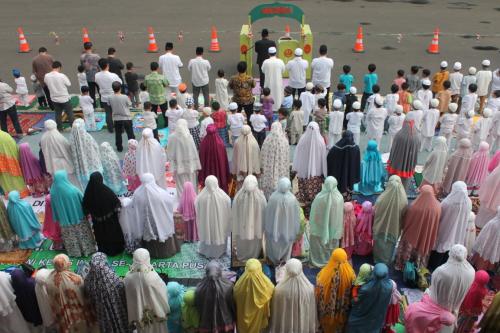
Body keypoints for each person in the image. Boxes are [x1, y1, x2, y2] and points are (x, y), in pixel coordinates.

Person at [429, 245, 475, 333]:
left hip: (436, 310)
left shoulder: (440, 271)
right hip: (453, 312)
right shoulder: (471, 272)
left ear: (450, 254)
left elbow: (433, 291)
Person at [46, 254, 98, 332]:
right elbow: (83, 294)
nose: (70, 263)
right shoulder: (75, 279)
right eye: (68, 262)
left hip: (62, 315)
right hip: (78, 312)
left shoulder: (49, 280)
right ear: (65, 264)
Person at [50, 170, 96, 257]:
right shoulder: (73, 190)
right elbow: (83, 201)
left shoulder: (53, 192)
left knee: (70, 236)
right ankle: (87, 250)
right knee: (82, 233)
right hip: (78, 217)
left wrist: (57, 217)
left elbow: (54, 207)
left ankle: (75, 252)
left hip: (64, 220)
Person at [394, 185, 441, 270]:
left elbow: (406, 221)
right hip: (426, 237)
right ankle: (417, 267)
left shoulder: (414, 206)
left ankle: (403, 265)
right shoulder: (437, 207)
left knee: (408, 249)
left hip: (411, 235)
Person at [133, 173, 179, 258]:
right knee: (159, 231)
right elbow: (169, 203)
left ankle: (148, 254)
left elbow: (134, 208)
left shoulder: (137, 194)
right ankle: (163, 252)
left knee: (148, 235)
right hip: (160, 223)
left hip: (145, 225)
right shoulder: (161, 193)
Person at [124, 248, 169, 333]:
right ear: (148, 258)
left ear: (134, 259)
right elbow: (163, 292)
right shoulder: (153, 276)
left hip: (139, 313)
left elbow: (128, 297)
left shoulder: (128, 277)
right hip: (156, 313)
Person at [429, 181, 472, 270]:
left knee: (441, 247)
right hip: (459, 230)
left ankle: (433, 266)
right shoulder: (468, 202)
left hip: (445, 228)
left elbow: (439, 214)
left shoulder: (448, 203)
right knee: (450, 248)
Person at [268, 258, 316, 333]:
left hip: (285, 326)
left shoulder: (278, 290)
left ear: (286, 270)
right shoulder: (309, 289)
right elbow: (311, 311)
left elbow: (276, 312)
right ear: (301, 270)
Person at [84, 252, 129, 333]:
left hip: (102, 314)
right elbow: (122, 290)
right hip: (118, 309)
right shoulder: (112, 278)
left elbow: (89, 296)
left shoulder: (88, 281)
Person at [83, 171, 125, 255]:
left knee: (101, 235)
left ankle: (104, 250)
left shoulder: (88, 193)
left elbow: (85, 206)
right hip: (111, 222)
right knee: (112, 233)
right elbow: (117, 204)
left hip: (97, 223)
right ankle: (116, 250)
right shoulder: (107, 192)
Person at [315, 248, 355, 333]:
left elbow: (319, 285)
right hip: (342, 307)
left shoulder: (326, 273)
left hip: (327, 309)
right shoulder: (350, 273)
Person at [346, 263, 393, 333]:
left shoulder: (366, 288)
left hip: (362, 317)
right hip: (377, 316)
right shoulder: (390, 286)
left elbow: (356, 302)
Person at [309, 176, 344, 267]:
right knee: (331, 244)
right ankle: (331, 260)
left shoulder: (319, 197)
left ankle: (318, 260)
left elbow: (314, 213)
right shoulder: (339, 198)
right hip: (333, 228)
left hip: (319, 227)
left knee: (318, 242)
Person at [264, 177, 300, 264]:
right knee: (286, 243)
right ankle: (285, 259)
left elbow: (268, 213)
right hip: (288, 230)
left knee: (274, 244)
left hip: (274, 229)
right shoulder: (292, 199)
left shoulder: (273, 197)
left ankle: (273, 259)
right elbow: (296, 216)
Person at [372, 175, 407, 264]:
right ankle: (386, 261)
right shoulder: (404, 201)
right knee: (389, 246)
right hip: (394, 229)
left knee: (379, 245)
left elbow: (375, 211)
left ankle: (377, 260)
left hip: (380, 227)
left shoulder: (381, 199)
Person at [232, 175, 266, 261]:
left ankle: (242, 255)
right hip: (256, 229)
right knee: (255, 241)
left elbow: (235, 214)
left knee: (242, 241)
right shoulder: (260, 197)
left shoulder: (238, 197)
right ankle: (254, 255)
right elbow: (265, 212)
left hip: (242, 228)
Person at [195, 175, 231, 258]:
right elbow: (228, 205)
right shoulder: (223, 196)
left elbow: (197, 208)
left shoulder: (201, 197)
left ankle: (205, 251)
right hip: (220, 226)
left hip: (207, 227)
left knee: (207, 233)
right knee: (220, 233)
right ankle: (221, 250)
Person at [195, 261, 236, 333]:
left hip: (207, 323)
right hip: (226, 322)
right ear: (220, 272)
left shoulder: (200, 289)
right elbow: (232, 304)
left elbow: (198, 306)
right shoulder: (228, 286)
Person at [293, 122, 327, 207]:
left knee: (303, 183)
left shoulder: (302, 139)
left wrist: (297, 167)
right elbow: (323, 157)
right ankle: (314, 199)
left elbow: (297, 154)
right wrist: (324, 171)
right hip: (317, 170)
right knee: (315, 189)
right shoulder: (320, 140)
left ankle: (304, 198)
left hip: (303, 169)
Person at [166, 118, 201, 196]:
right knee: (191, 182)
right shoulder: (189, 136)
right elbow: (194, 151)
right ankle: (192, 197)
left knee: (180, 183)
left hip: (178, 165)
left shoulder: (172, 137)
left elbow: (169, 152)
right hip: (190, 164)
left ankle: (182, 199)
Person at [387, 120, 421, 191]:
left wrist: (391, 160)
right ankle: (403, 191)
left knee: (394, 178)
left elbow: (393, 149)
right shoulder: (417, 136)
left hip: (397, 160)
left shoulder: (399, 135)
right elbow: (417, 151)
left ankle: (391, 190)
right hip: (409, 162)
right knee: (405, 181)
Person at [69, 118, 103, 189]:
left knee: (85, 184)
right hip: (92, 163)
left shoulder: (72, 139)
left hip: (81, 166)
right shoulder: (87, 137)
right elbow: (95, 147)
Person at [326, 130, 360, 198]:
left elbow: (329, 158)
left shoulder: (336, 148)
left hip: (338, 177)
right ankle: (348, 204)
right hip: (350, 176)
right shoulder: (355, 148)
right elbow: (357, 164)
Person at [260, 122, 290, 199]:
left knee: (268, 183)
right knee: (281, 181)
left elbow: (262, 155)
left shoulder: (267, 140)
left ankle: (268, 198)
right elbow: (287, 156)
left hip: (268, 169)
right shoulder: (284, 140)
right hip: (281, 168)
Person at [198, 124, 230, 193]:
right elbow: (224, 160)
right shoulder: (220, 143)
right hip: (219, 170)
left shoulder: (203, 144)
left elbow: (201, 160)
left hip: (207, 171)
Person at [43, 61, 75, 130]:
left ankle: (59, 128)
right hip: (64, 98)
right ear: (59, 67)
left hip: (54, 98)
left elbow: (45, 82)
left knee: (58, 114)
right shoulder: (62, 76)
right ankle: (74, 128)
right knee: (70, 113)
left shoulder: (47, 76)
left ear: (52, 67)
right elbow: (69, 84)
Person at [95, 58, 122, 133]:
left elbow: (97, 83)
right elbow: (120, 83)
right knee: (117, 113)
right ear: (107, 65)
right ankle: (119, 128)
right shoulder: (113, 75)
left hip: (104, 97)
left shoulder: (97, 75)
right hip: (114, 96)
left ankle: (110, 129)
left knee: (108, 113)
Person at [471, 206, 500, 271]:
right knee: (489, 247)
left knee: (488, 246)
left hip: (494, 226)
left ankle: (481, 267)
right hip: (493, 226)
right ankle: (483, 267)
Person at [109, 81, 135, 151]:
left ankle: (119, 148)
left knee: (118, 134)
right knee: (130, 134)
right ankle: (133, 147)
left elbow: (109, 105)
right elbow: (129, 104)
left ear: (112, 88)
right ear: (120, 88)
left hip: (116, 118)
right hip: (126, 118)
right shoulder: (125, 97)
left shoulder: (110, 97)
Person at [0, 130, 27, 195]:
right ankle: (22, 192)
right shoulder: (6, 135)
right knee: (16, 177)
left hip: (3, 165)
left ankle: (11, 194)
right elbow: (15, 148)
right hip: (13, 161)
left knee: (6, 179)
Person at [475, 157, 500, 227]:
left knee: (487, 209)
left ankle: (479, 224)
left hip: (491, 196)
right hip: (494, 199)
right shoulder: (497, 171)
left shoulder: (497, 171)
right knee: (491, 211)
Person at [262, 46, 285, 112]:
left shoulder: (266, 62)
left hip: (268, 82)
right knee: (278, 95)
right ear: (276, 53)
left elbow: (263, 70)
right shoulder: (280, 61)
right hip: (278, 83)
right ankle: (277, 108)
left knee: (268, 94)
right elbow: (283, 70)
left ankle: (268, 109)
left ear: (268, 53)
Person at [311, 45, 334, 109]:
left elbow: (312, 67)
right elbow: (331, 67)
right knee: (325, 98)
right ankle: (326, 109)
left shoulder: (315, 60)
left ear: (319, 51)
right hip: (325, 83)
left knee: (314, 97)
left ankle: (313, 109)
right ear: (326, 52)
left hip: (316, 83)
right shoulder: (330, 61)